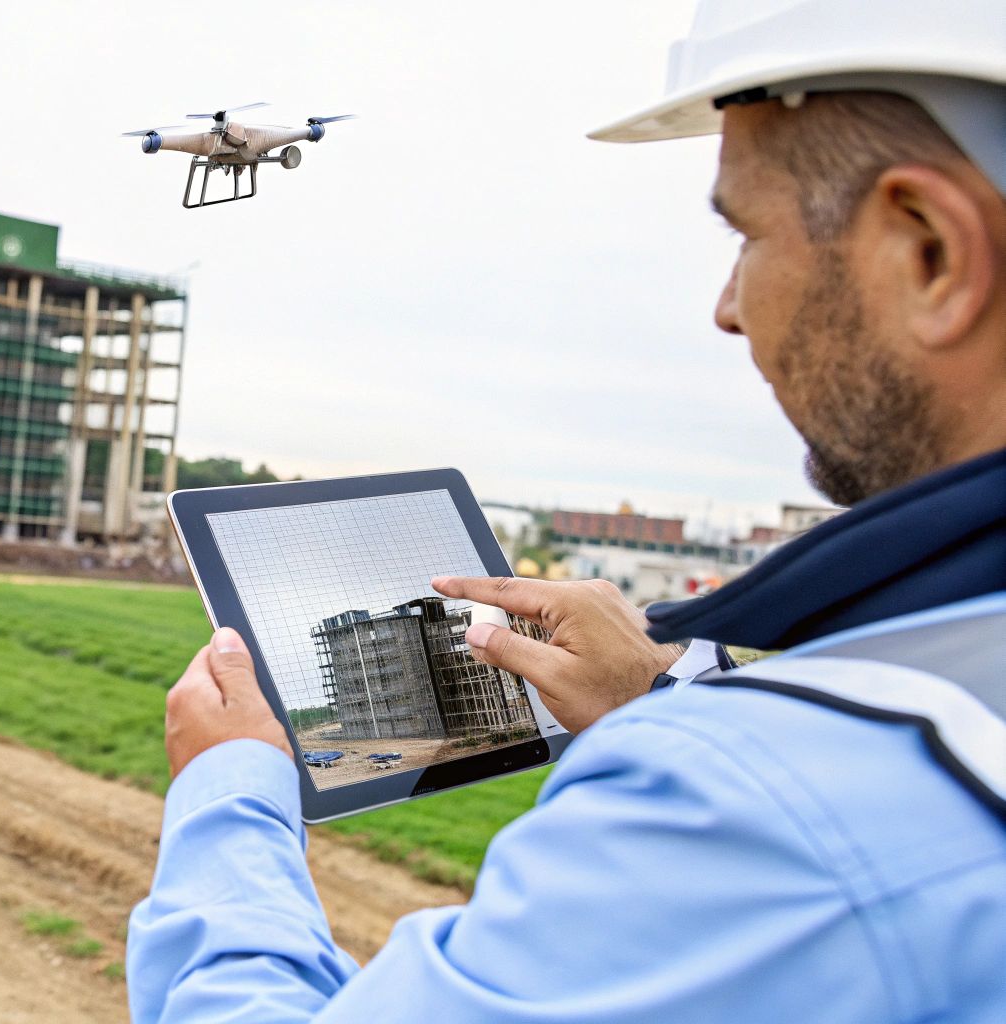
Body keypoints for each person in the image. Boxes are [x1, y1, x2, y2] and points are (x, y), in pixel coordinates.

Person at [127, 1, 1006, 1020]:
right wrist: (666, 692)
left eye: (746, 234)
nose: (726, 308)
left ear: (930, 252)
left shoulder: (746, 814)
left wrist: (228, 786)